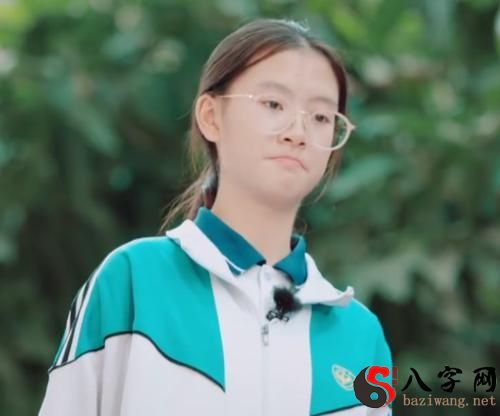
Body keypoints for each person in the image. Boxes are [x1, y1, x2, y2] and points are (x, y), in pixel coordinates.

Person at [39, 18, 393, 416]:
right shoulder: (135, 280)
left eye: (321, 117)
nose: (298, 132)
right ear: (210, 116)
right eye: (273, 104)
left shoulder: (360, 336)